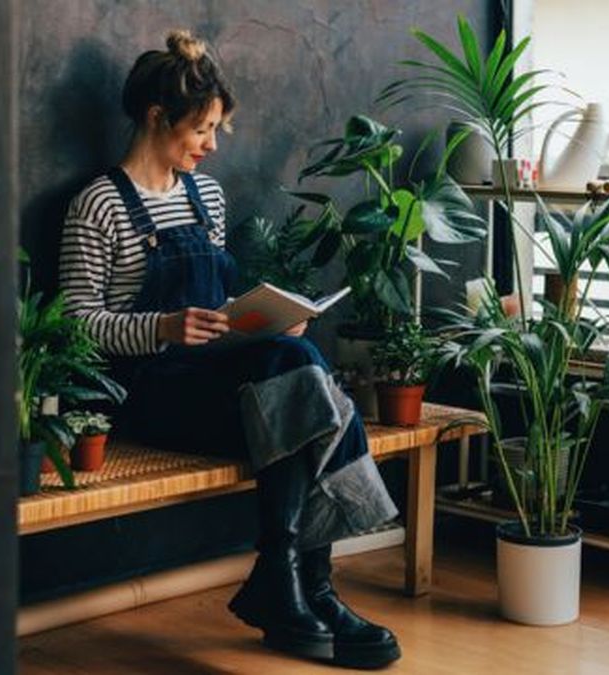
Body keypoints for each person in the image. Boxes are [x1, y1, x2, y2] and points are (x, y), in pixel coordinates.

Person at [58, 29, 400, 669]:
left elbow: (218, 310)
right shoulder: (97, 205)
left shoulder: (205, 196)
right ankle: (303, 585)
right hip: (150, 395)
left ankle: (294, 581)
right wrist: (160, 328)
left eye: (217, 130)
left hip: (224, 383)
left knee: (294, 361)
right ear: (157, 118)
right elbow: (75, 324)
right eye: (201, 130)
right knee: (305, 383)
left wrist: (267, 322)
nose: (212, 146)